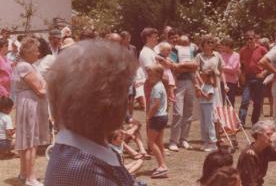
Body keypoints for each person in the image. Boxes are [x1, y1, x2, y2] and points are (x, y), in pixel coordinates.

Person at [44, 40, 136, 186]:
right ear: (106, 104)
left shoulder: (73, 147)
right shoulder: (85, 170)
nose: (128, 99)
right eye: (124, 90)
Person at [14, 37, 49, 186]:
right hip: (30, 104)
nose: (38, 52)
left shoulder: (28, 65)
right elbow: (40, 91)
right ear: (28, 52)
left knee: (28, 140)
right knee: (30, 141)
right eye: (35, 50)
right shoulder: (25, 66)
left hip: (29, 103)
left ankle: (24, 174)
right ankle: (30, 177)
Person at [237, 121, 276, 186]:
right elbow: (249, 183)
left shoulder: (266, 149)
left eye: (272, 134)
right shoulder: (249, 155)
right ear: (258, 135)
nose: (271, 137)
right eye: (268, 134)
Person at [238, 31, 267, 126]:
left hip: (258, 77)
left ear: (255, 38)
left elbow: (270, 62)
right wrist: (241, 75)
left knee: (257, 101)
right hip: (247, 77)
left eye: (251, 38)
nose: (249, 40)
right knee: (245, 100)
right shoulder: (243, 50)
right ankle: (241, 121)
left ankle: (255, 121)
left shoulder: (262, 49)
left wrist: (264, 73)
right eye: (247, 39)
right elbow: (241, 64)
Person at [145, 64, 169, 178]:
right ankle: (162, 164)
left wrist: (148, 116)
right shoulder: (160, 85)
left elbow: (155, 105)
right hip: (163, 116)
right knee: (159, 142)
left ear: (158, 75)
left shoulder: (157, 87)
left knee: (151, 142)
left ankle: (162, 166)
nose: (149, 77)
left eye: (151, 75)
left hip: (157, 117)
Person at [197, 69, 218, 152]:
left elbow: (208, 98)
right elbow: (198, 96)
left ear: (209, 77)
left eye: (204, 76)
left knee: (209, 124)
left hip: (209, 106)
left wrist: (201, 91)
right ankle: (205, 142)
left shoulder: (211, 87)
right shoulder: (203, 85)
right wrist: (198, 90)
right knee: (203, 124)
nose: (202, 77)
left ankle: (213, 143)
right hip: (202, 105)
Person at [221, 37, 240, 107]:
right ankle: (222, 117)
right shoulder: (221, 55)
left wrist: (222, 68)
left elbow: (233, 69)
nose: (222, 47)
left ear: (228, 46)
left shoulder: (236, 55)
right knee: (221, 102)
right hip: (222, 81)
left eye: (224, 45)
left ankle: (231, 117)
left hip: (232, 82)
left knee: (230, 103)